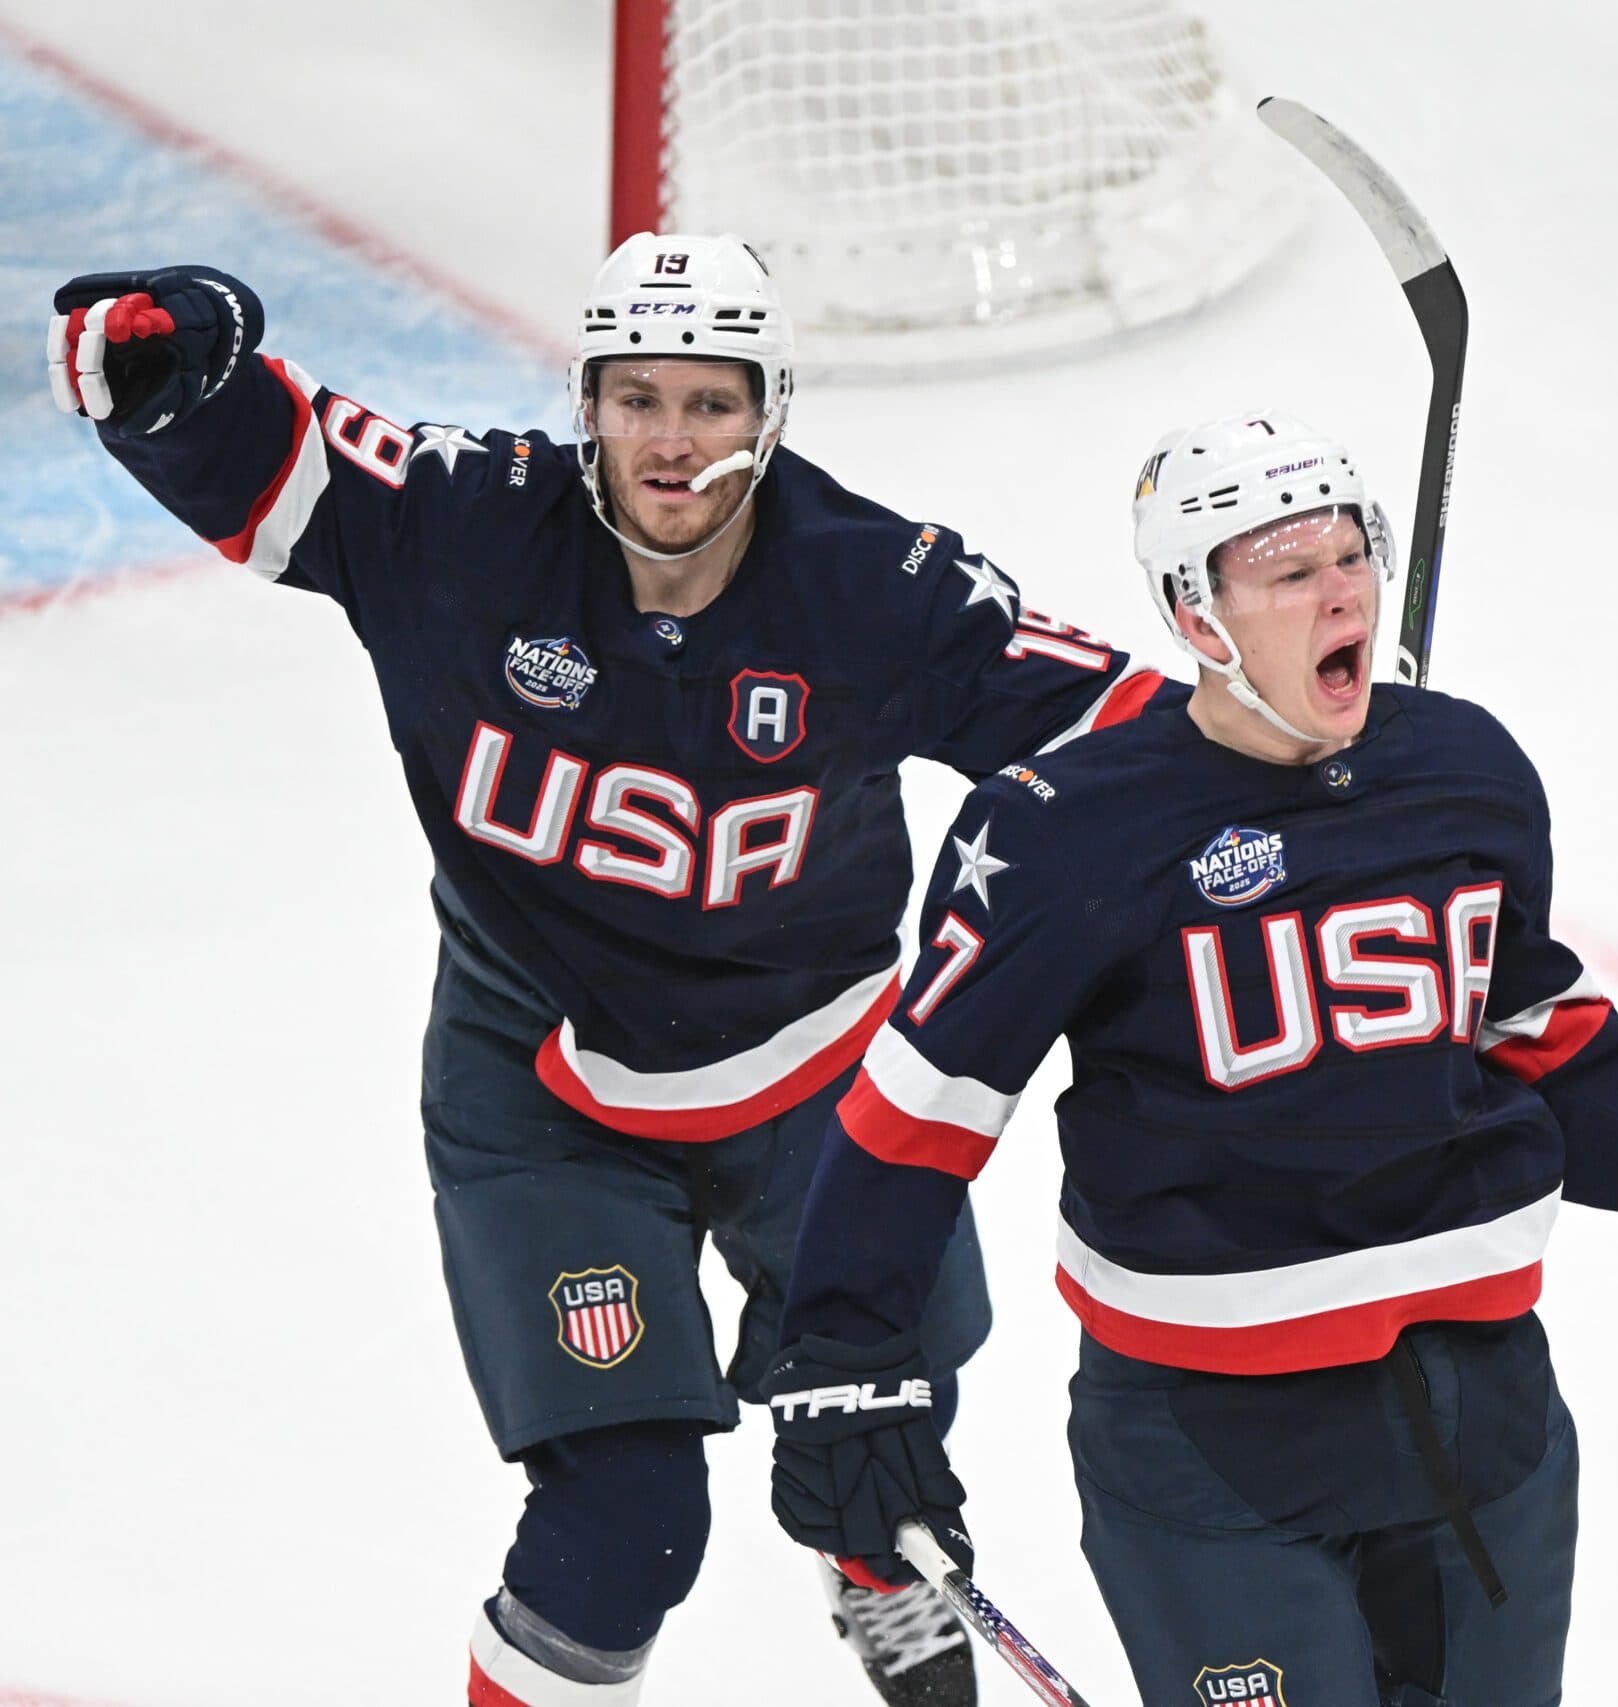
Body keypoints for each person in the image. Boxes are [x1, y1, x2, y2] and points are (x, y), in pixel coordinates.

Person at [47, 235, 1165, 1707]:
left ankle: (879, 1572)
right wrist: (164, 359)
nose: (672, 441)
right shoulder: (466, 524)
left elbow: (1134, 748)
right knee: (623, 1536)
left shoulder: (875, 588)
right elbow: (231, 435)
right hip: (541, 1091)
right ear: (585, 402)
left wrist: (1325, 767)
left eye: (710, 402)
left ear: (771, 410)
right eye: (637, 398)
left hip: (822, 1098)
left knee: (883, 1467)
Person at [763, 412, 1618, 1706]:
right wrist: (850, 1369)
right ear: (1196, 614)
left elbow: (1531, 1037)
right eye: (1286, 572)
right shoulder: (1069, 834)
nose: (1338, 595)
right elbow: (918, 1119)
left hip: (1482, 1426)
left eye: (1348, 557)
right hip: (1214, 1452)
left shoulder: (1461, 771)